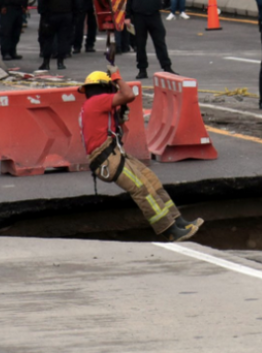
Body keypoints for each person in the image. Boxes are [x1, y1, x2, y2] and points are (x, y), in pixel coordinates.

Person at [79, 66, 202, 242]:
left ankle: (178, 221)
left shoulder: (94, 105)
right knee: (141, 189)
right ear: (105, 88)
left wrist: (119, 117)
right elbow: (129, 95)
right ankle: (170, 231)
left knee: (151, 181)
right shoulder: (96, 102)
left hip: (113, 153)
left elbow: (106, 128)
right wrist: (116, 76)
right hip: (107, 158)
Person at [127, 0, 176, 80]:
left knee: (160, 42)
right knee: (140, 44)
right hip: (139, 17)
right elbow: (127, 0)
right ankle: (142, 69)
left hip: (154, 16)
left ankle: (166, 67)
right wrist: (127, 17)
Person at [37, 0, 81, 71]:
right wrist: (75, 17)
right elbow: (77, 4)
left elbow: (41, 2)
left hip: (51, 17)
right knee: (63, 40)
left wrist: (43, 15)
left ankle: (46, 63)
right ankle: (60, 63)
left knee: (48, 40)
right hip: (66, 17)